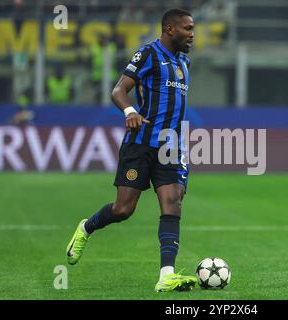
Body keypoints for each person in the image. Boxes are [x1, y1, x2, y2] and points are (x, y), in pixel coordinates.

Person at [66, 8, 196, 293]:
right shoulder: (148, 54)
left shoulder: (184, 62)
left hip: (171, 146)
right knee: (123, 209)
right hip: (140, 144)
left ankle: (166, 275)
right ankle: (86, 228)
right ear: (170, 29)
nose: (192, 34)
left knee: (172, 202)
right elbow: (118, 90)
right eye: (187, 28)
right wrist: (129, 111)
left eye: (193, 28)